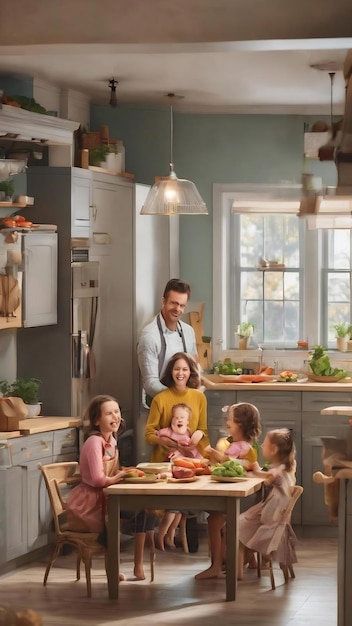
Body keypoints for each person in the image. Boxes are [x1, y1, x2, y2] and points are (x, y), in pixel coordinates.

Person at [66, 394, 156, 581]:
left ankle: (137, 564)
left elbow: (111, 474)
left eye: (117, 412)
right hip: (90, 502)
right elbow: (98, 480)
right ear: (97, 420)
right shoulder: (93, 442)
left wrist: (125, 473)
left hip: (106, 495)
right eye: (109, 413)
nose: (115, 417)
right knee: (136, 512)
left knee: (147, 509)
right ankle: (111, 566)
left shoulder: (112, 441)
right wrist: (121, 475)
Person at [145, 352, 210, 551]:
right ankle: (164, 537)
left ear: (190, 372)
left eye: (184, 369)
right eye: (176, 369)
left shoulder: (199, 397)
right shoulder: (160, 399)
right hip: (165, 462)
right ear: (170, 372)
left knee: (189, 503)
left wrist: (199, 433)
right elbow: (149, 434)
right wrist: (164, 441)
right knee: (169, 504)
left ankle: (176, 538)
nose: (180, 373)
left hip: (191, 461)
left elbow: (204, 430)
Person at [195, 402, 261, 579]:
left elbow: (230, 463)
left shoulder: (243, 447)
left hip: (241, 498)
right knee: (216, 516)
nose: (226, 422)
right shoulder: (240, 444)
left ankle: (216, 565)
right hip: (243, 497)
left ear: (240, 423)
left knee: (214, 520)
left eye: (229, 419)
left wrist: (213, 454)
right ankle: (248, 558)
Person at [238, 428, 297, 575]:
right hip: (279, 514)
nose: (262, 446)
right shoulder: (288, 466)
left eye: (264, 443)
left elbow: (267, 479)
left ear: (274, 449)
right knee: (246, 518)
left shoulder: (278, 471)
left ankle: (238, 566)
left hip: (272, 516)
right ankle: (251, 559)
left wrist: (254, 470)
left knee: (239, 523)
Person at [137, 278, 198, 405]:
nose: (177, 309)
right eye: (173, 303)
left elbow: (194, 370)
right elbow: (151, 383)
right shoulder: (149, 336)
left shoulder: (188, 332)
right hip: (159, 404)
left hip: (185, 406)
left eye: (182, 305)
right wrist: (177, 398)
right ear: (163, 301)